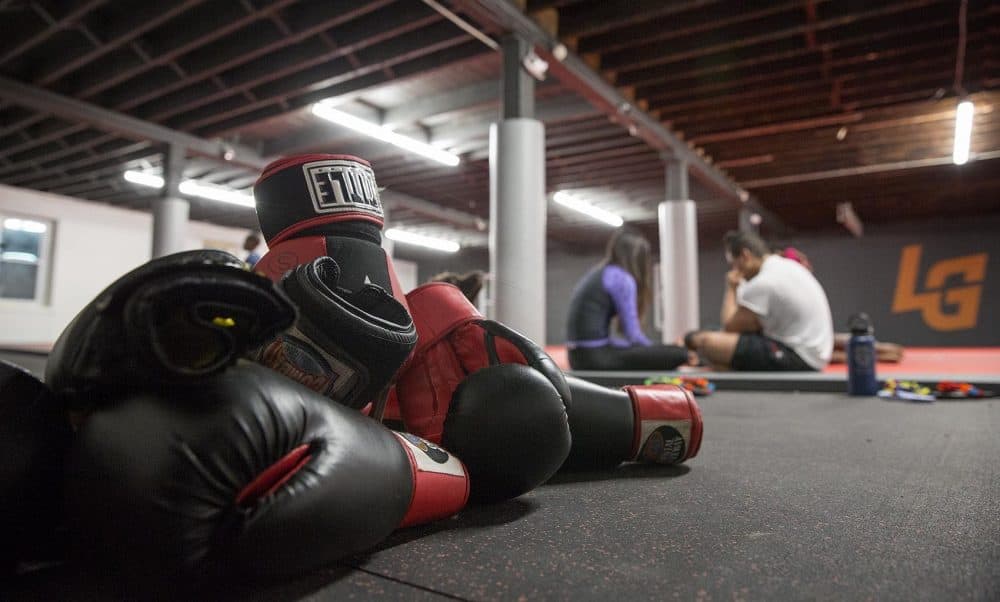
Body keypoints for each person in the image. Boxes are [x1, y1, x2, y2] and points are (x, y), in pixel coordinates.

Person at [685, 230, 834, 371]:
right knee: (714, 333)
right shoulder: (785, 266)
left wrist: (731, 288)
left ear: (745, 255)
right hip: (815, 354)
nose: (734, 269)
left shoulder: (762, 282)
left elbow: (730, 326)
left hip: (799, 357)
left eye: (733, 263)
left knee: (705, 342)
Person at [565, 226, 689, 371]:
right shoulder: (622, 279)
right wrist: (658, 351)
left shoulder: (601, 272)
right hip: (593, 359)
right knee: (678, 354)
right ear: (639, 258)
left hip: (576, 356)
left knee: (666, 350)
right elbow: (634, 337)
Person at [772, 243, 904, 363]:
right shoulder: (785, 269)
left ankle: (874, 351)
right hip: (801, 329)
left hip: (799, 335)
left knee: (819, 350)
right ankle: (873, 352)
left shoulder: (784, 267)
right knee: (826, 344)